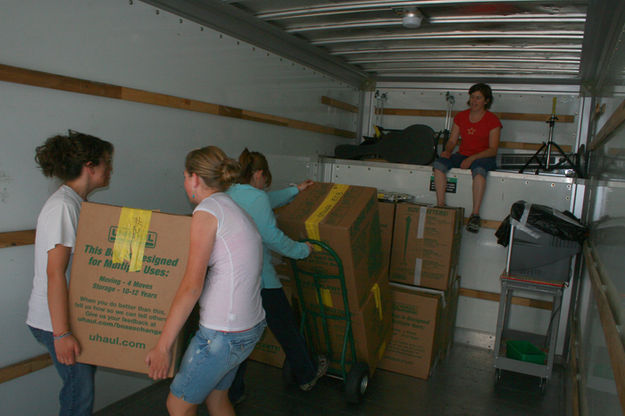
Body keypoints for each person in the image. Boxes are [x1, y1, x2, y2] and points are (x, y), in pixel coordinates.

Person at [146, 146, 265, 416]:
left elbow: (192, 286)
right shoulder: (229, 205)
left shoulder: (207, 212)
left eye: (185, 176)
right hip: (247, 328)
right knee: (217, 399)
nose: (184, 182)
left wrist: (163, 346)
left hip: (222, 335)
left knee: (177, 405)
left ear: (195, 179)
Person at [226, 148, 328, 405]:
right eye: (264, 179)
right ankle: (307, 374)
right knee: (286, 329)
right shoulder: (256, 199)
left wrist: (296, 190)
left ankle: (234, 392)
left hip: (235, 282)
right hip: (261, 281)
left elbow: (266, 200)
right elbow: (272, 237)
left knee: (240, 337)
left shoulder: (229, 194)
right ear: (259, 174)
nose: (264, 185)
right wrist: (302, 250)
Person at [26, 131, 114, 416]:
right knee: (79, 395)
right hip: (54, 322)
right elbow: (55, 273)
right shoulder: (64, 207)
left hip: (70, 315)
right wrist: (62, 334)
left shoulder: (76, 202)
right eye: (106, 163)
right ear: (90, 166)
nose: (110, 169)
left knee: (81, 391)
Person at [433, 83, 502, 233]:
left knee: (478, 171)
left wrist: (472, 159)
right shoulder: (461, 116)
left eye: (478, 98)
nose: (474, 101)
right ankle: (441, 206)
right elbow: (452, 141)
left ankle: (475, 215)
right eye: (472, 97)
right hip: (462, 155)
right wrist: (447, 151)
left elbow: (493, 149)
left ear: (486, 101)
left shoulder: (492, 120)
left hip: (483, 156)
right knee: (438, 165)